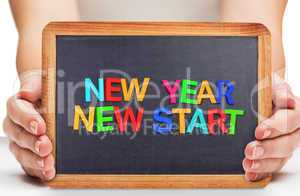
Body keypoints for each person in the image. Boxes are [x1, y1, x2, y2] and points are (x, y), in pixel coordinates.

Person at [4, 0, 299, 182]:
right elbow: (48, 29)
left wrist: (266, 98)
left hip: (225, 164)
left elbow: (251, 32)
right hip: (83, 156)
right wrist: (39, 91)